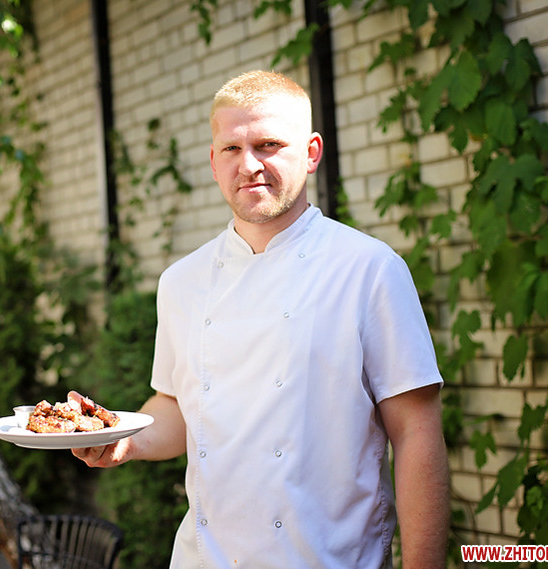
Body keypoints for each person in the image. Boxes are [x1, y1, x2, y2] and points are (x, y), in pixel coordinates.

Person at [72, 70, 450, 569]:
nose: (249, 165)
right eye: (231, 148)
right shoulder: (182, 281)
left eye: (268, 145)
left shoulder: (369, 269)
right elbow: (178, 406)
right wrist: (122, 438)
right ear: (213, 163)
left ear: (311, 153)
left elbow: (416, 433)